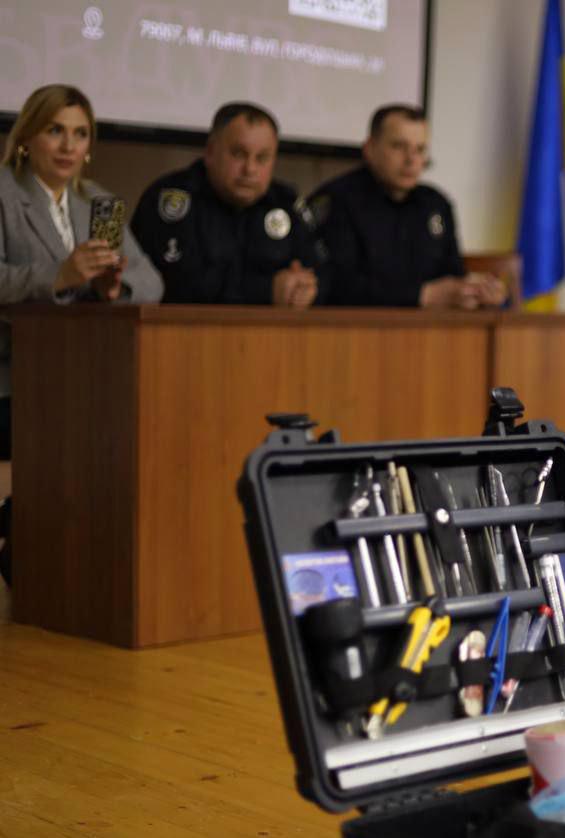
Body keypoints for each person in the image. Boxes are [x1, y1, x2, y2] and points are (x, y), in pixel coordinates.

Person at [0, 83, 163, 585]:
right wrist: (59, 276)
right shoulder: (4, 194)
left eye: (80, 134)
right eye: (55, 131)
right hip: (13, 373)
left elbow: (152, 282)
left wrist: (114, 288)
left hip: (83, 374)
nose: (69, 146)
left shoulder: (99, 204)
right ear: (27, 137)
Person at [131, 102, 327, 307]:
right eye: (239, 154)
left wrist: (306, 290)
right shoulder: (171, 200)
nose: (250, 169)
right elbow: (178, 284)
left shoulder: (286, 202)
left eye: (262, 158)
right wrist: (266, 290)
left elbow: (324, 274)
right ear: (210, 151)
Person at [309, 104, 506, 309]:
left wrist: (476, 292)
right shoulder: (337, 200)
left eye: (420, 149)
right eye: (399, 146)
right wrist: (422, 296)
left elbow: (453, 274)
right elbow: (337, 286)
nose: (411, 160)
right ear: (370, 149)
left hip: (428, 327)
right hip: (355, 327)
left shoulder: (436, 204)